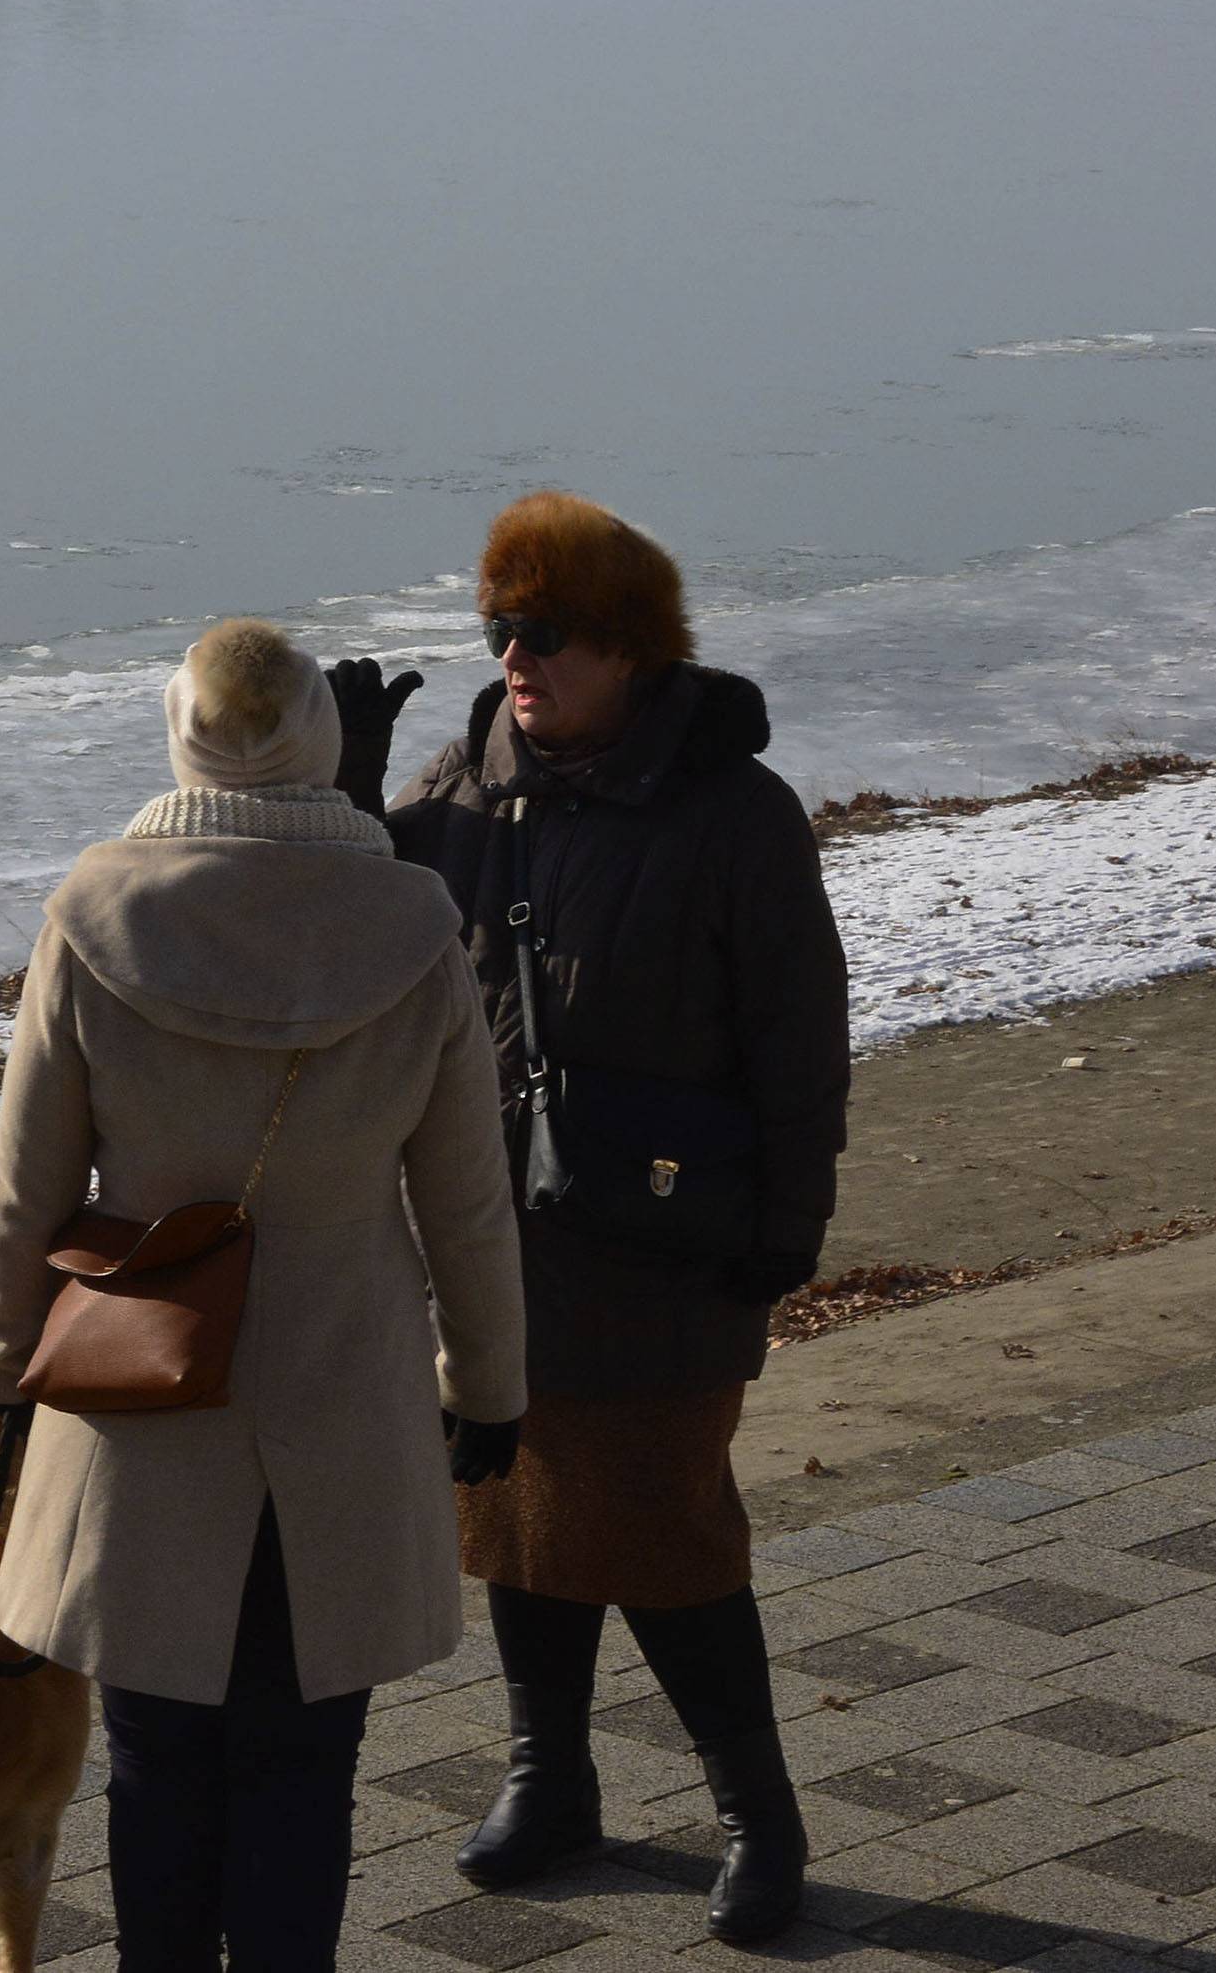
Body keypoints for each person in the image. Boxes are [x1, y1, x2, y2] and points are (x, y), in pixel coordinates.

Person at [332, 491, 850, 1946]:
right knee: (518, 1517)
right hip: (495, 1245)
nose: (516, 654)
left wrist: (788, 1226)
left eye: (547, 630)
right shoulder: (460, 785)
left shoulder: (732, 812)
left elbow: (801, 1041)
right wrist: (348, 805)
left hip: (673, 1247)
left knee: (665, 1531)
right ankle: (550, 1779)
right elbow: (347, 948)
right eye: (500, 626)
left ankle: (759, 1810)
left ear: (629, 645)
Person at [0, 619, 526, 1973]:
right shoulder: (409, 920)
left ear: (184, 731)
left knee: (157, 1771)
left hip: (138, 1390)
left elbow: (25, 1189)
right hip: (345, 1394)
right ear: (324, 741)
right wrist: (490, 1388)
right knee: (301, 1772)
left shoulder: (97, 909)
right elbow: (466, 1198)